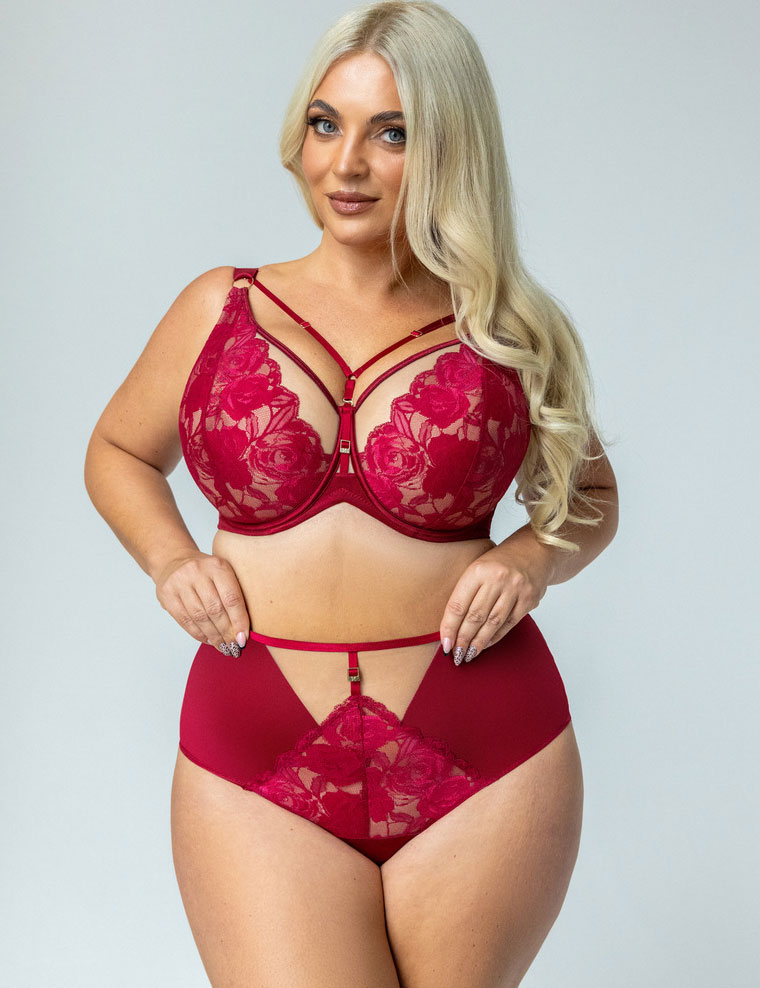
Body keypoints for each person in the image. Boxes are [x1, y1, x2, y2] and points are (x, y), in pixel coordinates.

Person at [84, 1, 618, 984]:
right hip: (256, 740)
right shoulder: (220, 307)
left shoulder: (505, 327)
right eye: (327, 124)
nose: (348, 165)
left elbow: (588, 494)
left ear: (449, 147)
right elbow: (117, 449)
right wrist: (169, 559)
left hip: (485, 743)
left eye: (393, 134)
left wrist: (530, 558)